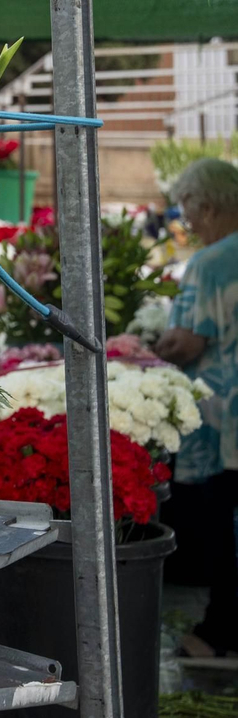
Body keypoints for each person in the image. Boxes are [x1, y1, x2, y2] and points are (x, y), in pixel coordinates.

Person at [157, 157, 238, 656]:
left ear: (206, 207)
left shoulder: (213, 262)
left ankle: (218, 633)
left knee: (223, 523)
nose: (184, 221)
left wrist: (157, 343)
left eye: (186, 209)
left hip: (226, 417)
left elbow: (187, 343)